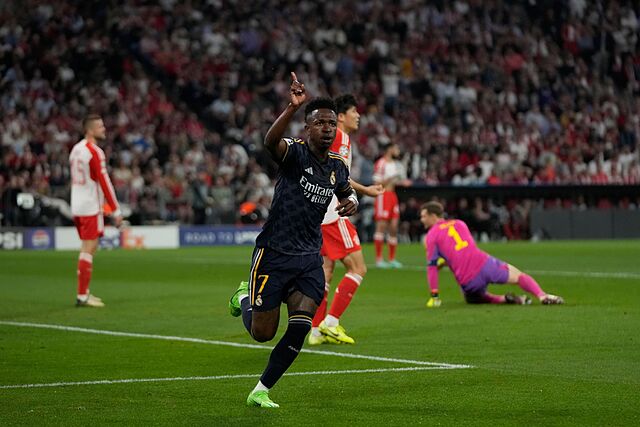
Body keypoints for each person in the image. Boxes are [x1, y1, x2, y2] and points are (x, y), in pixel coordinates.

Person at [228, 73, 358, 408]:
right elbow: (270, 143)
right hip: (274, 253)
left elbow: (347, 195)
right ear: (307, 128)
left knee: (300, 327)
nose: (328, 128)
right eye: (320, 123)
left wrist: (351, 203)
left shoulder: (337, 167)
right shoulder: (294, 154)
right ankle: (244, 297)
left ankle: (261, 389)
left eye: (332, 123)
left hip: (307, 258)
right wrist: (291, 106)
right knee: (263, 333)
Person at [309, 94, 384, 346]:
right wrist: (363, 191)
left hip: (319, 213)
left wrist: (366, 190)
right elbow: (336, 175)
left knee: (326, 271)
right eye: (354, 111)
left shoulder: (327, 139)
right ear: (341, 116)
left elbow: (334, 173)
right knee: (358, 268)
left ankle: (317, 331)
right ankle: (331, 323)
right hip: (333, 212)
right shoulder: (340, 137)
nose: (358, 116)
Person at [420, 201, 564, 306]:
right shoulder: (459, 223)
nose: (422, 220)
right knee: (519, 276)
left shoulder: (431, 235)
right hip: (484, 264)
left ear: (433, 216)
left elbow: (432, 267)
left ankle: (505, 299)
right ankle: (542, 296)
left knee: (473, 298)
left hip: (467, 279)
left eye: (424, 216)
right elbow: (462, 249)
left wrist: (435, 296)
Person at [69, 114, 122, 307]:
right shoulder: (95, 151)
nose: (104, 129)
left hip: (76, 204)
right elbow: (104, 181)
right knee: (89, 248)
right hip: (90, 205)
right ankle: (82, 295)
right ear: (90, 130)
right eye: (100, 126)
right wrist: (115, 210)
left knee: (88, 247)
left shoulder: (75, 149)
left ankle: (84, 292)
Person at [373, 142, 405, 268]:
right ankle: (379, 259)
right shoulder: (381, 163)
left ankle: (392, 259)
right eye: (396, 147)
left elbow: (397, 180)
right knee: (381, 226)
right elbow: (376, 182)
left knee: (394, 227)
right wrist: (391, 179)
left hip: (393, 195)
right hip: (383, 195)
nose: (398, 150)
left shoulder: (396, 164)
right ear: (389, 149)